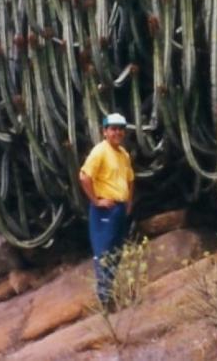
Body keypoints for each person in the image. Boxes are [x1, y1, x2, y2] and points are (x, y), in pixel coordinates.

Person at [78, 112, 136, 308]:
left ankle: (111, 293)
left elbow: (130, 179)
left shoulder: (123, 154)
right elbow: (84, 176)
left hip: (119, 208)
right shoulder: (100, 151)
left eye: (120, 129)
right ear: (105, 131)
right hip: (105, 209)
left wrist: (128, 201)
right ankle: (105, 299)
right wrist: (96, 201)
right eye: (113, 129)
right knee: (104, 252)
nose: (117, 133)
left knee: (116, 251)